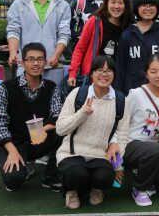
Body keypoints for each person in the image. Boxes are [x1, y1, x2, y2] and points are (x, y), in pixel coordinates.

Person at [56, 56, 126, 210]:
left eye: (109, 70)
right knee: (76, 174)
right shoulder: (78, 94)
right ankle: (71, 191)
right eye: (100, 70)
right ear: (91, 74)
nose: (104, 74)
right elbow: (60, 129)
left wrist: (117, 155)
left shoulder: (120, 100)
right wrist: (82, 113)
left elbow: (123, 132)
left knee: (105, 177)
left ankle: (96, 188)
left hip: (100, 154)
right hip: (72, 152)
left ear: (114, 74)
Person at [0, 43, 63, 191]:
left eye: (40, 59)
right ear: (22, 63)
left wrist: (44, 129)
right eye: (31, 59)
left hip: (40, 138)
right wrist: (12, 150)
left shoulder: (51, 87)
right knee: (13, 180)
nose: (36, 63)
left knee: (65, 131)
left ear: (45, 62)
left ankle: (51, 176)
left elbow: (58, 114)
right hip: (14, 142)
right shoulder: (6, 88)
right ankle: (22, 163)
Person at [116, 55, 159, 207]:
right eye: (153, 71)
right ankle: (140, 189)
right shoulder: (136, 94)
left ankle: (142, 173)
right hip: (133, 144)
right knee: (155, 150)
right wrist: (118, 156)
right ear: (146, 74)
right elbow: (122, 123)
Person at [7, 0, 71, 83]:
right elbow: (13, 31)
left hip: (52, 65)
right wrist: (13, 52)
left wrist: (56, 55)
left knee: (53, 95)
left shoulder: (63, 6)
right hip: (26, 65)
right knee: (24, 95)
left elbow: (64, 34)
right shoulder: (19, 4)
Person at [68, 0, 133, 88]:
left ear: (126, 6)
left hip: (119, 80)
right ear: (106, 3)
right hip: (94, 79)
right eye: (113, 2)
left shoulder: (129, 27)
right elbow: (80, 49)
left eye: (120, 3)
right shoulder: (95, 22)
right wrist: (73, 73)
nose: (116, 6)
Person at [116, 0, 159, 93]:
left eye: (151, 5)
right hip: (133, 91)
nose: (148, 8)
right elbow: (120, 67)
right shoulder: (127, 34)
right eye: (144, 5)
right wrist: (120, 92)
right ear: (137, 8)